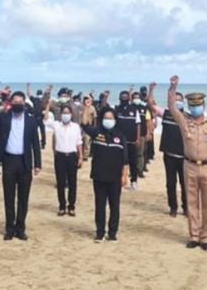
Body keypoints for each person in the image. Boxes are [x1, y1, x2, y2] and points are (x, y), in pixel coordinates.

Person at [167, 76, 207, 251]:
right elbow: (171, 107)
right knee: (192, 202)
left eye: (197, 105)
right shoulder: (185, 122)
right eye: (192, 106)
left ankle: (206, 236)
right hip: (190, 166)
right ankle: (194, 235)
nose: (195, 108)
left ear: (203, 105)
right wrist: (173, 87)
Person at [0, 91, 42, 241]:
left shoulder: (31, 121)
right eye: (15, 102)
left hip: (25, 162)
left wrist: (37, 164)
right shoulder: (5, 118)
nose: (18, 105)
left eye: (20, 102)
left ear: (24, 103)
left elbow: (35, 143)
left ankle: (21, 228)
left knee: (23, 198)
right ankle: (9, 228)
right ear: (11, 103)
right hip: (8, 161)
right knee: (9, 196)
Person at [84, 108, 128, 242]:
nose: (108, 120)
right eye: (106, 118)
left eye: (111, 118)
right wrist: (87, 108)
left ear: (115, 120)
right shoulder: (96, 132)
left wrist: (124, 176)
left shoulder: (120, 136)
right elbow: (84, 124)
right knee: (100, 205)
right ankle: (100, 232)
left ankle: (113, 232)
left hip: (115, 177)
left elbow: (125, 160)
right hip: (99, 176)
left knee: (114, 206)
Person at [148, 82, 187, 217]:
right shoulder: (166, 113)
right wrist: (151, 90)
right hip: (169, 154)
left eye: (179, 101)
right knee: (171, 183)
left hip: (184, 156)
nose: (177, 102)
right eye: (174, 100)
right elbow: (151, 105)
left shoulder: (188, 117)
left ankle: (186, 208)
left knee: (185, 184)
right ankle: (173, 208)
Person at [48, 104, 83, 217]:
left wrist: (81, 156)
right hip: (60, 156)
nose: (66, 115)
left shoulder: (75, 127)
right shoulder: (57, 125)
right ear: (61, 114)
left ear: (71, 114)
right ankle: (62, 206)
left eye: (68, 113)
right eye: (64, 113)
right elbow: (44, 120)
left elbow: (79, 142)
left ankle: (71, 206)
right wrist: (48, 105)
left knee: (73, 183)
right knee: (61, 183)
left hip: (72, 156)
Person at [114, 91, 141, 190]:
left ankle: (134, 181)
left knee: (133, 162)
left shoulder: (134, 110)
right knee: (119, 162)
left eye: (126, 97)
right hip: (119, 141)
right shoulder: (116, 110)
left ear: (129, 99)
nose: (124, 99)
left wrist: (138, 138)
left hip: (132, 141)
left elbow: (138, 124)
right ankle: (119, 181)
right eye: (122, 97)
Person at [80, 95, 97, 161]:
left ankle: (85, 156)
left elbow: (95, 117)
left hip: (88, 126)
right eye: (85, 99)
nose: (86, 100)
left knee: (87, 142)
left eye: (88, 99)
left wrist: (94, 127)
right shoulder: (81, 107)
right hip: (81, 126)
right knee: (80, 141)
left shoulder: (92, 108)